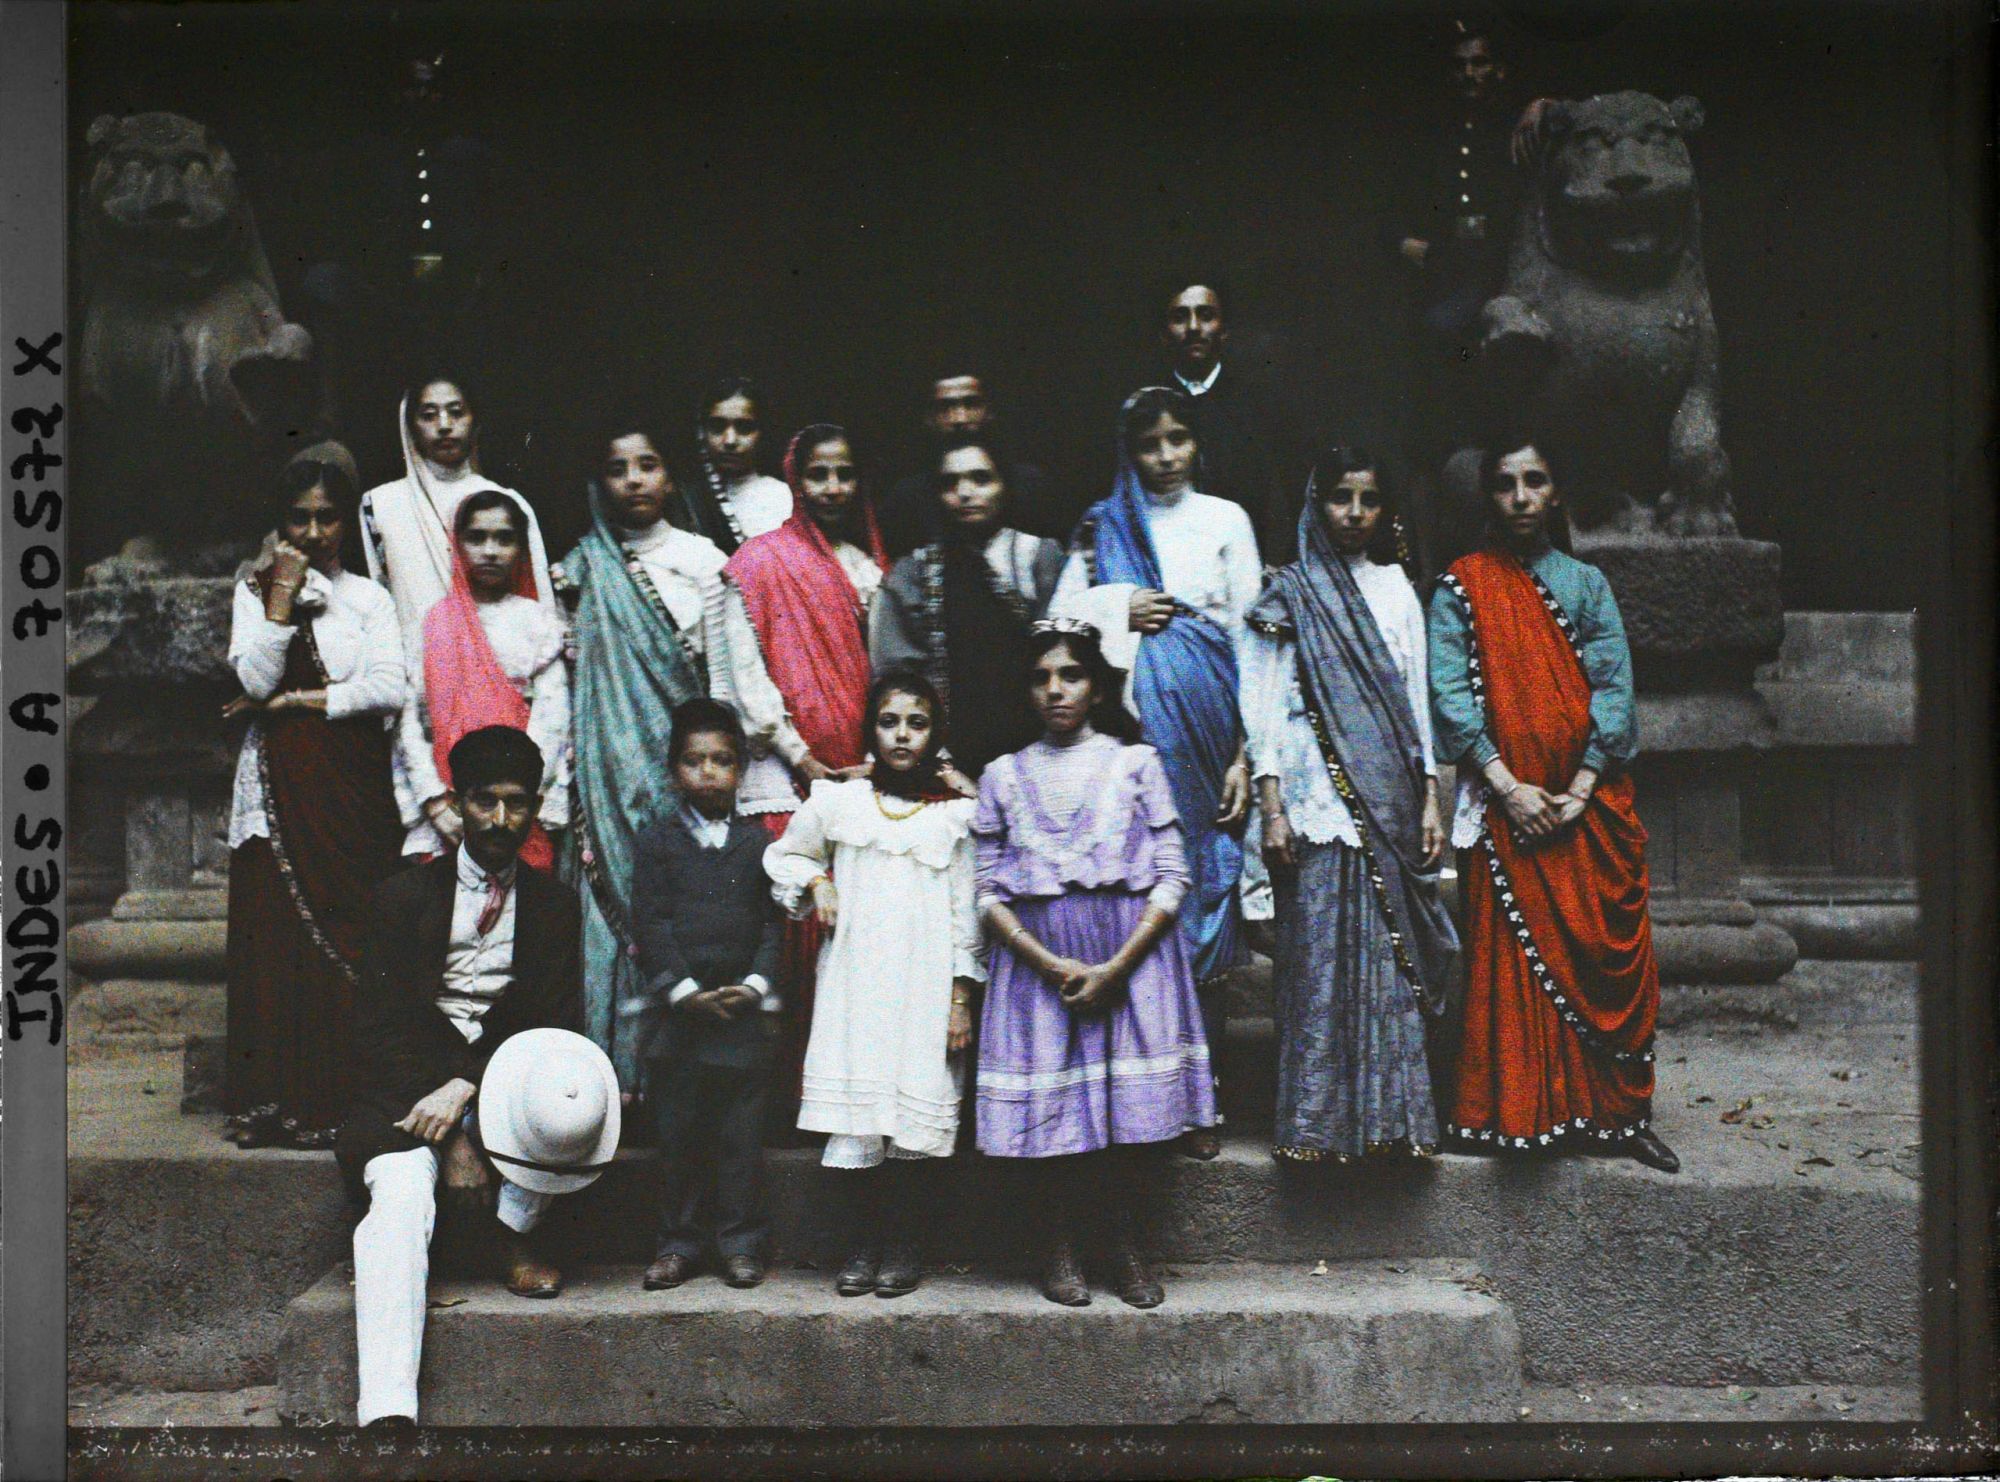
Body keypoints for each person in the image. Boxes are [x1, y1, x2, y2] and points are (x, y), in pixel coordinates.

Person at [336, 725, 611, 1430]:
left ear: (536, 807)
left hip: (501, 1079)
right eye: (484, 801)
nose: (499, 820)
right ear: (458, 804)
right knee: (397, 1198)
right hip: (406, 1090)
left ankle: (514, 1235)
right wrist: (451, 1123)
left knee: (569, 1099)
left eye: (516, 803)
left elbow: (549, 1018)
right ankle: (388, 1411)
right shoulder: (404, 896)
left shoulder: (552, 906)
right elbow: (380, 1025)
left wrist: (470, 1092)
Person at [1428, 436, 1678, 1173]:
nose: (1522, 498)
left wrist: (1577, 789)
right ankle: (1516, 1113)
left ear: (1557, 493)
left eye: (1536, 481)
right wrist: (1507, 787)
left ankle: (1617, 1114)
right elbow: (1450, 698)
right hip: (1509, 806)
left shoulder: (1587, 585)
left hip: (1584, 808)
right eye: (1505, 485)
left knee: (1602, 954)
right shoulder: (1461, 588)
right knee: (1512, 967)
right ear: (1490, 497)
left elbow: (1614, 690)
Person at [974, 621, 1216, 1307]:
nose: (1056, 690)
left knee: (1122, 1115)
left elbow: (1171, 873)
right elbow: (987, 887)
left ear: (1097, 686)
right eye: (1041, 677)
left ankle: (1125, 1245)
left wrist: (1116, 967)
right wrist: (1046, 961)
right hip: (1038, 965)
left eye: (1071, 675)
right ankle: (1059, 1248)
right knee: (1057, 1114)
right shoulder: (1002, 774)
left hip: (1129, 958)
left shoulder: (1134, 763)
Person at [1050, 387, 1257, 1158]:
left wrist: (1245, 755)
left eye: (1179, 440)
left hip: (1210, 738)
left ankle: (1203, 1103)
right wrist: (1119, 604)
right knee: (1141, 902)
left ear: (1197, 445)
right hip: (1136, 741)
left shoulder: (1226, 519)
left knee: (1203, 900)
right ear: (1128, 452)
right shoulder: (1104, 526)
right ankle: (1143, 1098)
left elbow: (1252, 638)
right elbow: (1060, 625)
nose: (1166, 456)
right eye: (1150, 444)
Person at [1242, 447, 1461, 1162]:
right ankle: (1316, 1130)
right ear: (1318, 501)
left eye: (1370, 500)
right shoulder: (1291, 591)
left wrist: (1430, 797)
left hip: (1390, 799)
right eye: (1341, 497)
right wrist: (1272, 806)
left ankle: (1390, 1127)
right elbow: (1265, 709)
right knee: (1317, 964)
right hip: (1312, 800)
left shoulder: (1398, 588)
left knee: (1385, 965)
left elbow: (1416, 705)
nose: (1356, 514)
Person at [764, 672, 983, 1298]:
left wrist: (961, 997)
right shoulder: (841, 802)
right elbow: (786, 856)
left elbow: (967, 913)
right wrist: (819, 883)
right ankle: (861, 1245)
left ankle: (904, 1247)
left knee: (913, 1116)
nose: (902, 735)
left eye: (917, 723)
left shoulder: (956, 818)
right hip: (858, 986)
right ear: (871, 731)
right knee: (862, 1118)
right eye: (890, 723)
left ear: (934, 734)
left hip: (926, 986)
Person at [222, 443, 407, 1152]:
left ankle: (331, 1100)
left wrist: (307, 698)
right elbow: (255, 678)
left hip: (348, 790)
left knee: (345, 926)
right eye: (298, 518)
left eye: (327, 517)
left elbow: (390, 686)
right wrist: (278, 599)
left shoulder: (367, 598)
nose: (313, 533)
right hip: (275, 792)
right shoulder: (253, 592)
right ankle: (269, 1102)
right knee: (275, 932)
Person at [553, 415, 735, 1091]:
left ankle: (680, 1086)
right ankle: (615, 1080)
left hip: (684, 776)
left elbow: (722, 679)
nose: (633, 480)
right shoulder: (578, 570)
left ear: (670, 474)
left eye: (648, 464)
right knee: (610, 909)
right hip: (604, 778)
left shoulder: (703, 561)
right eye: (618, 467)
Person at [723, 424, 893, 1108]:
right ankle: (793, 1097)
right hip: (790, 776)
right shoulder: (760, 562)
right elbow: (745, 674)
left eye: (843, 474)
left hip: (862, 775)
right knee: (795, 930)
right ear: (796, 481)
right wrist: (802, 756)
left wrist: (873, 761)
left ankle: (852, 1091)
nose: (831, 489)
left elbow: (884, 670)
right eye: (817, 474)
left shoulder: (869, 566)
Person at [630, 700, 783, 1293]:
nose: (709, 773)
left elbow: (772, 925)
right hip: (680, 1024)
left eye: (722, 761)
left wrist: (753, 986)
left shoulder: (758, 843)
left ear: (741, 768)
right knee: (680, 1140)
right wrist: (686, 992)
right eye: (694, 762)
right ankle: (678, 1243)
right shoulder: (658, 842)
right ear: (674, 771)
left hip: (742, 1021)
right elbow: (651, 923)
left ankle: (741, 1243)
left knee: (740, 1142)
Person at [870, 430, 1066, 778]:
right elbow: (898, 676)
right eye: (950, 483)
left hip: (1040, 749)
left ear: (1004, 485)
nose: (965, 493)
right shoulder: (912, 573)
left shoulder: (1039, 557)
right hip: (948, 759)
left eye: (981, 479)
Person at [397, 491, 569, 868]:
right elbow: (408, 722)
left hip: (519, 810)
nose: (490, 551)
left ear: (521, 548)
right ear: (456, 545)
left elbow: (552, 722)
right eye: (476, 538)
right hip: (447, 811)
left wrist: (516, 802)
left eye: (504, 539)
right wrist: (436, 802)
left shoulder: (538, 623)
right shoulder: (429, 626)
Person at [360, 372, 556, 657]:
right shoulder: (381, 504)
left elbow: (539, 599)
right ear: (410, 426)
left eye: (456, 413)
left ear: (475, 422)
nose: (443, 426)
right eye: (429, 415)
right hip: (419, 670)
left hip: (502, 671)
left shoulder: (509, 502)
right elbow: (382, 603)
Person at [1151, 278, 1297, 563]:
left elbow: (1283, 500)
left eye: (1205, 316)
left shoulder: (1261, 406)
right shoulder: (1148, 406)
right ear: (1164, 334)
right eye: (1180, 317)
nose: (1193, 327)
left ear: (1224, 329)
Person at [879, 370, 1051, 557]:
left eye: (971, 404)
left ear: (990, 411)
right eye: (945, 407)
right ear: (929, 417)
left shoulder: (1030, 484)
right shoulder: (906, 499)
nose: (960, 418)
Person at [681, 375, 793, 553]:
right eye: (718, 426)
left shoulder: (782, 499)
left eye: (744, 427)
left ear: (762, 433)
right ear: (702, 432)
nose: (730, 440)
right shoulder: (685, 499)